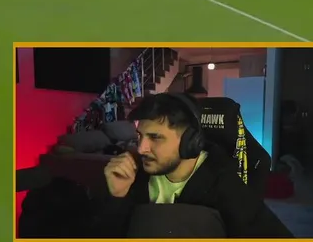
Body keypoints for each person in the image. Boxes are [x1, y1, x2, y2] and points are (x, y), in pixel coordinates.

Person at [90, 94, 292, 238]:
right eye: (140, 136)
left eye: (155, 137)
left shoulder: (222, 181)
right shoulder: (133, 172)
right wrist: (117, 197)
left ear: (190, 142)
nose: (142, 148)